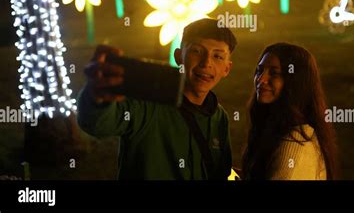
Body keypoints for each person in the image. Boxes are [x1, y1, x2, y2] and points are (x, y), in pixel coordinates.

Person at [77, 18, 237, 180]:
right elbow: (99, 123)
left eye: (218, 56)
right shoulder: (147, 103)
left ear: (227, 68)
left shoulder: (219, 117)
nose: (206, 63)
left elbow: (222, 172)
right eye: (196, 51)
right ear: (178, 56)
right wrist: (96, 97)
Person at [241, 43, 338, 180]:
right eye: (259, 70)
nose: (261, 79)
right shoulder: (274, 126)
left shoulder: (294, 144)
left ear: (295, 82)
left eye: (274, 73)